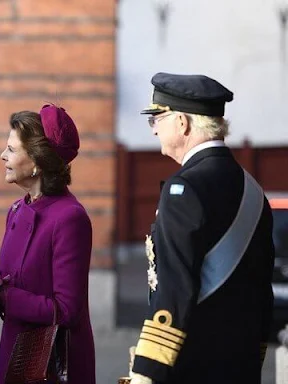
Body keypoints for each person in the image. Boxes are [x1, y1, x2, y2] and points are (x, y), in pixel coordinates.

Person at [129, 73, 275, 384]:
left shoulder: (184, 188)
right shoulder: (253, 190)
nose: (154, 129)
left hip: (191, 366)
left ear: (182, 122)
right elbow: (262, 291)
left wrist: (147, 369)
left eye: (157, 118)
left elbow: (174, 289)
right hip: (242, 366)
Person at [0, 105, 96, 384]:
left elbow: (67, 310)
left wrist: (4, 298)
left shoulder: (70, 218)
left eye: (11, 149)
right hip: (16, 350)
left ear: (36, 161)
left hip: (52, 364)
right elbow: (18, 277)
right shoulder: (17, 209)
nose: (2, 156)